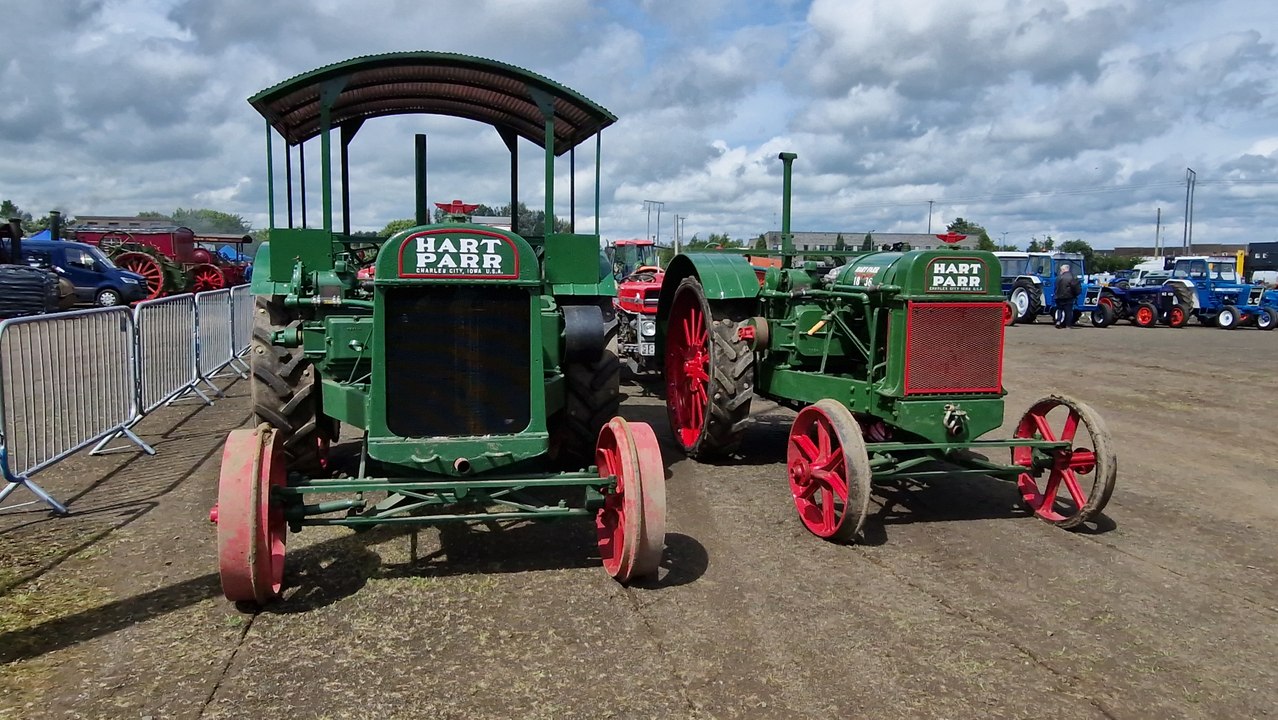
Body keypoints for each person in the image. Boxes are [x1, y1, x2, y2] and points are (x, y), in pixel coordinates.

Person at [1054, 263, 1081, 328]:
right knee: (1068, 311)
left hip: (1059, 297)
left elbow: (1056, 286)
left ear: (1063, 269)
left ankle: (1058, 321)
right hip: (1069, 296)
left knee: (1060, 310)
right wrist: (1076, 294)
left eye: (1061, 270)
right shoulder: (1072, 277)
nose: (1061, 271)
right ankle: (1068, 324)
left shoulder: (1058, 277)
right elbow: (1075, 287)